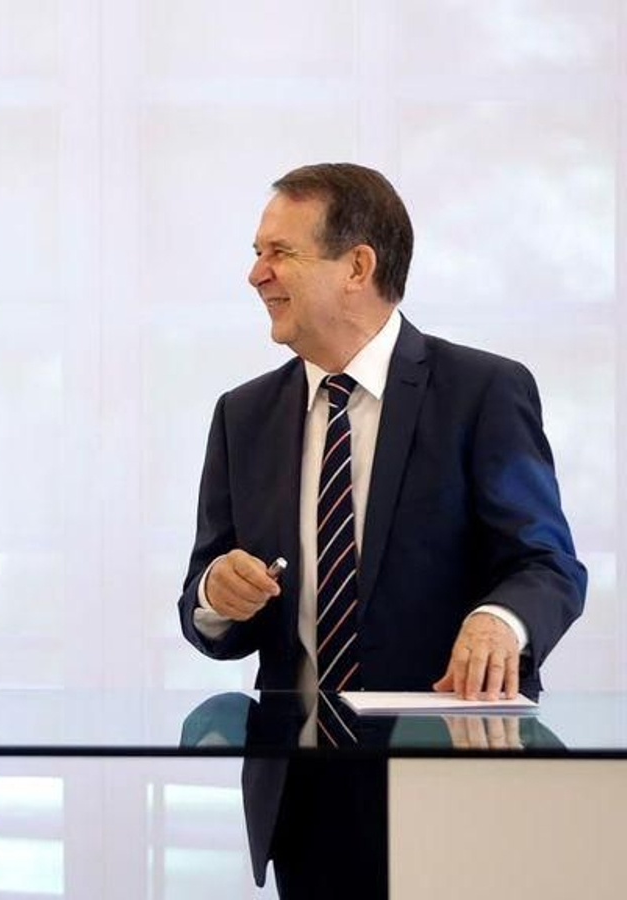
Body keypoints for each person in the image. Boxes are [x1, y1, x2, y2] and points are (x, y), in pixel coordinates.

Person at [176, 162, 585, 895]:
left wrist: (500, 622)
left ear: (357, 265)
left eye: (279, 253)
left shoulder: (482, 391)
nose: (255, 275)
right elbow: (205, 607)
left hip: (455, 789)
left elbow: (547, 563)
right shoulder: (242, 415)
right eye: (256, 253)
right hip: (302, 799)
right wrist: (216, 593)